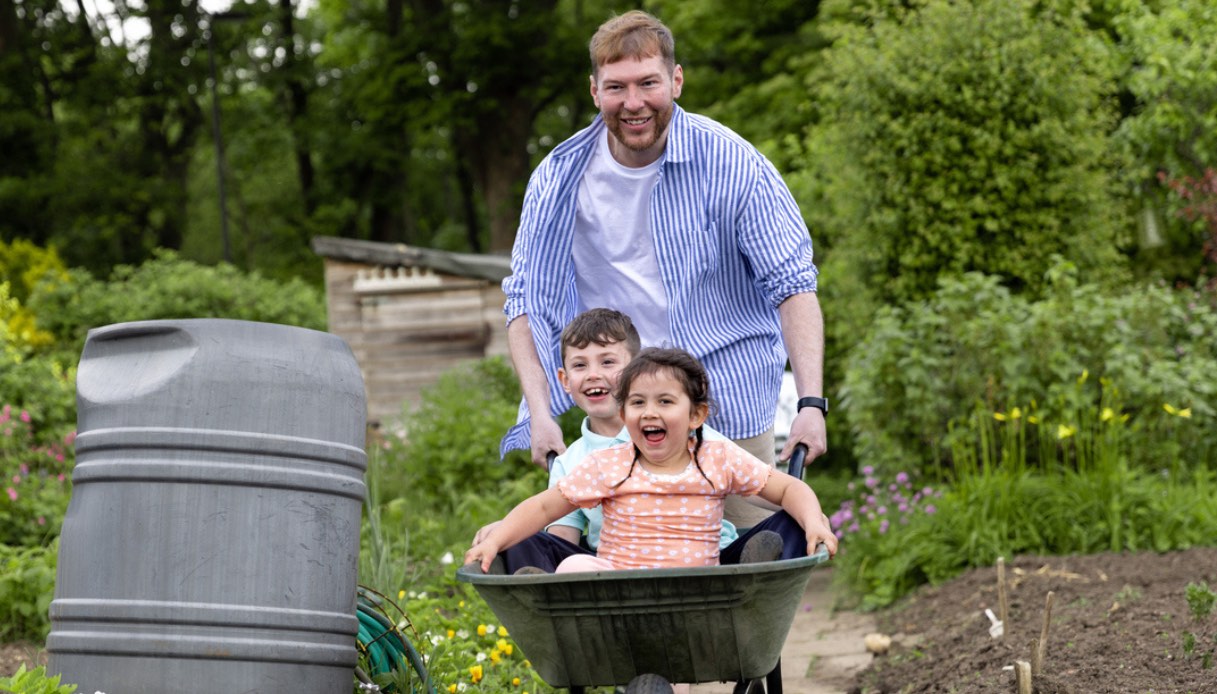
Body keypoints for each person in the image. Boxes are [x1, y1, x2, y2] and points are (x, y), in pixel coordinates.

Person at [499, 10, 827, 530]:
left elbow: (792, 286)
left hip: (723, 403)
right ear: (594, 91)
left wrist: (811, 402)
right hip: (615, 416)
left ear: (675, 80)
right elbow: (525, 303)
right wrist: (540, 411)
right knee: (612, 561)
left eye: (648, 83)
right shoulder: (558, 179)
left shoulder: (732, 163)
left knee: (740, 562)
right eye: (616, 87)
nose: (633, 103)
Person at [466, 348, 838, 574]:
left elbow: (789, 487)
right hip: (617, 588)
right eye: (638, 403)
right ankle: (550, 597)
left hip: (697, 587)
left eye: (664, 401)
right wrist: (498, 538)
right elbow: (546, 506)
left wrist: (812, 521)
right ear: (624, 412)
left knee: (792, 520)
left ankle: (752, 579)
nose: (649, 413)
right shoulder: (609, 464)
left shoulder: (716, 458)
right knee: (570, 564)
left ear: (696, 416)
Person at [473, 308, 740, 573]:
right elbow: (560, 538)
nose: (593, 374)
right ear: (565, 380)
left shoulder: (680, 431)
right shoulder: (572, 463)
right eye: (580, 365)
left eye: (607, 362)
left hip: (709, 557)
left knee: (779, 522)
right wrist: (509, 533)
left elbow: (758, 479)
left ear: (636, 370)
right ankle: (546, 598)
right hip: (615, 568)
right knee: (518, 536)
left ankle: (751, 565)